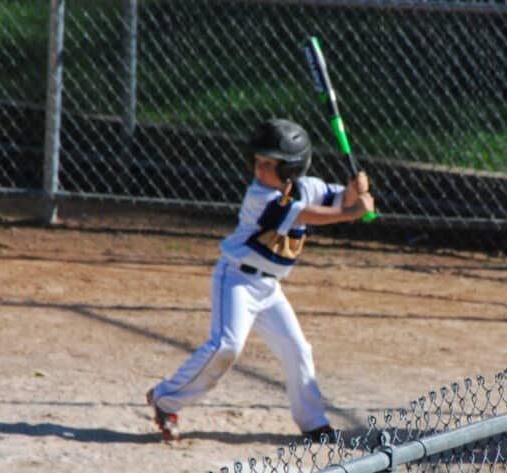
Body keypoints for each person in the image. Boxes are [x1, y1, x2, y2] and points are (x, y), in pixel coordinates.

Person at [145, 118, 375, 442]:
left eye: (270, 164)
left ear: (292, 169)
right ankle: (165, 399)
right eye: (258, 161)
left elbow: (340, 199)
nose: (261, 169)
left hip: (269, 287)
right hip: (236, 279)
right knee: (226, 346)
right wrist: (353, 212)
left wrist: (355, 190)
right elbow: (313, 215)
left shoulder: (309, 187)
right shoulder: (260, 196)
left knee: (297, 350)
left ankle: (313, 423)